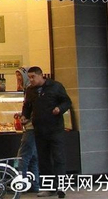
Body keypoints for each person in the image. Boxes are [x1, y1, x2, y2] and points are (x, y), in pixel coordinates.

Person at [21, 67, 71, 198]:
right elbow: (27, 106)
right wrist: (25, 116)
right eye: (29, 77)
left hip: (55, 129)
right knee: (43, 159)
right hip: (39, 129)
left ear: (40, 75)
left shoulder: (55, 86)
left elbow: (67, 101)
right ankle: (49, 188)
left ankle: (61, 187)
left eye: (33, 77)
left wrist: (59, 108)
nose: (31, 80)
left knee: (58, 158)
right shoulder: (30, 91)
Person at [16, 67, 39, 193]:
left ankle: (22, 184)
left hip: (30, 128)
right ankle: (35, 185)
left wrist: (25, 117)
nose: (18, 79)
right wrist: (23, 115)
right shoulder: (29, 90)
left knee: (22, 157)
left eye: (20, 76)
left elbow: (33, 109)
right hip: (34, 127)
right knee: (33, 157)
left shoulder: (30, 90)